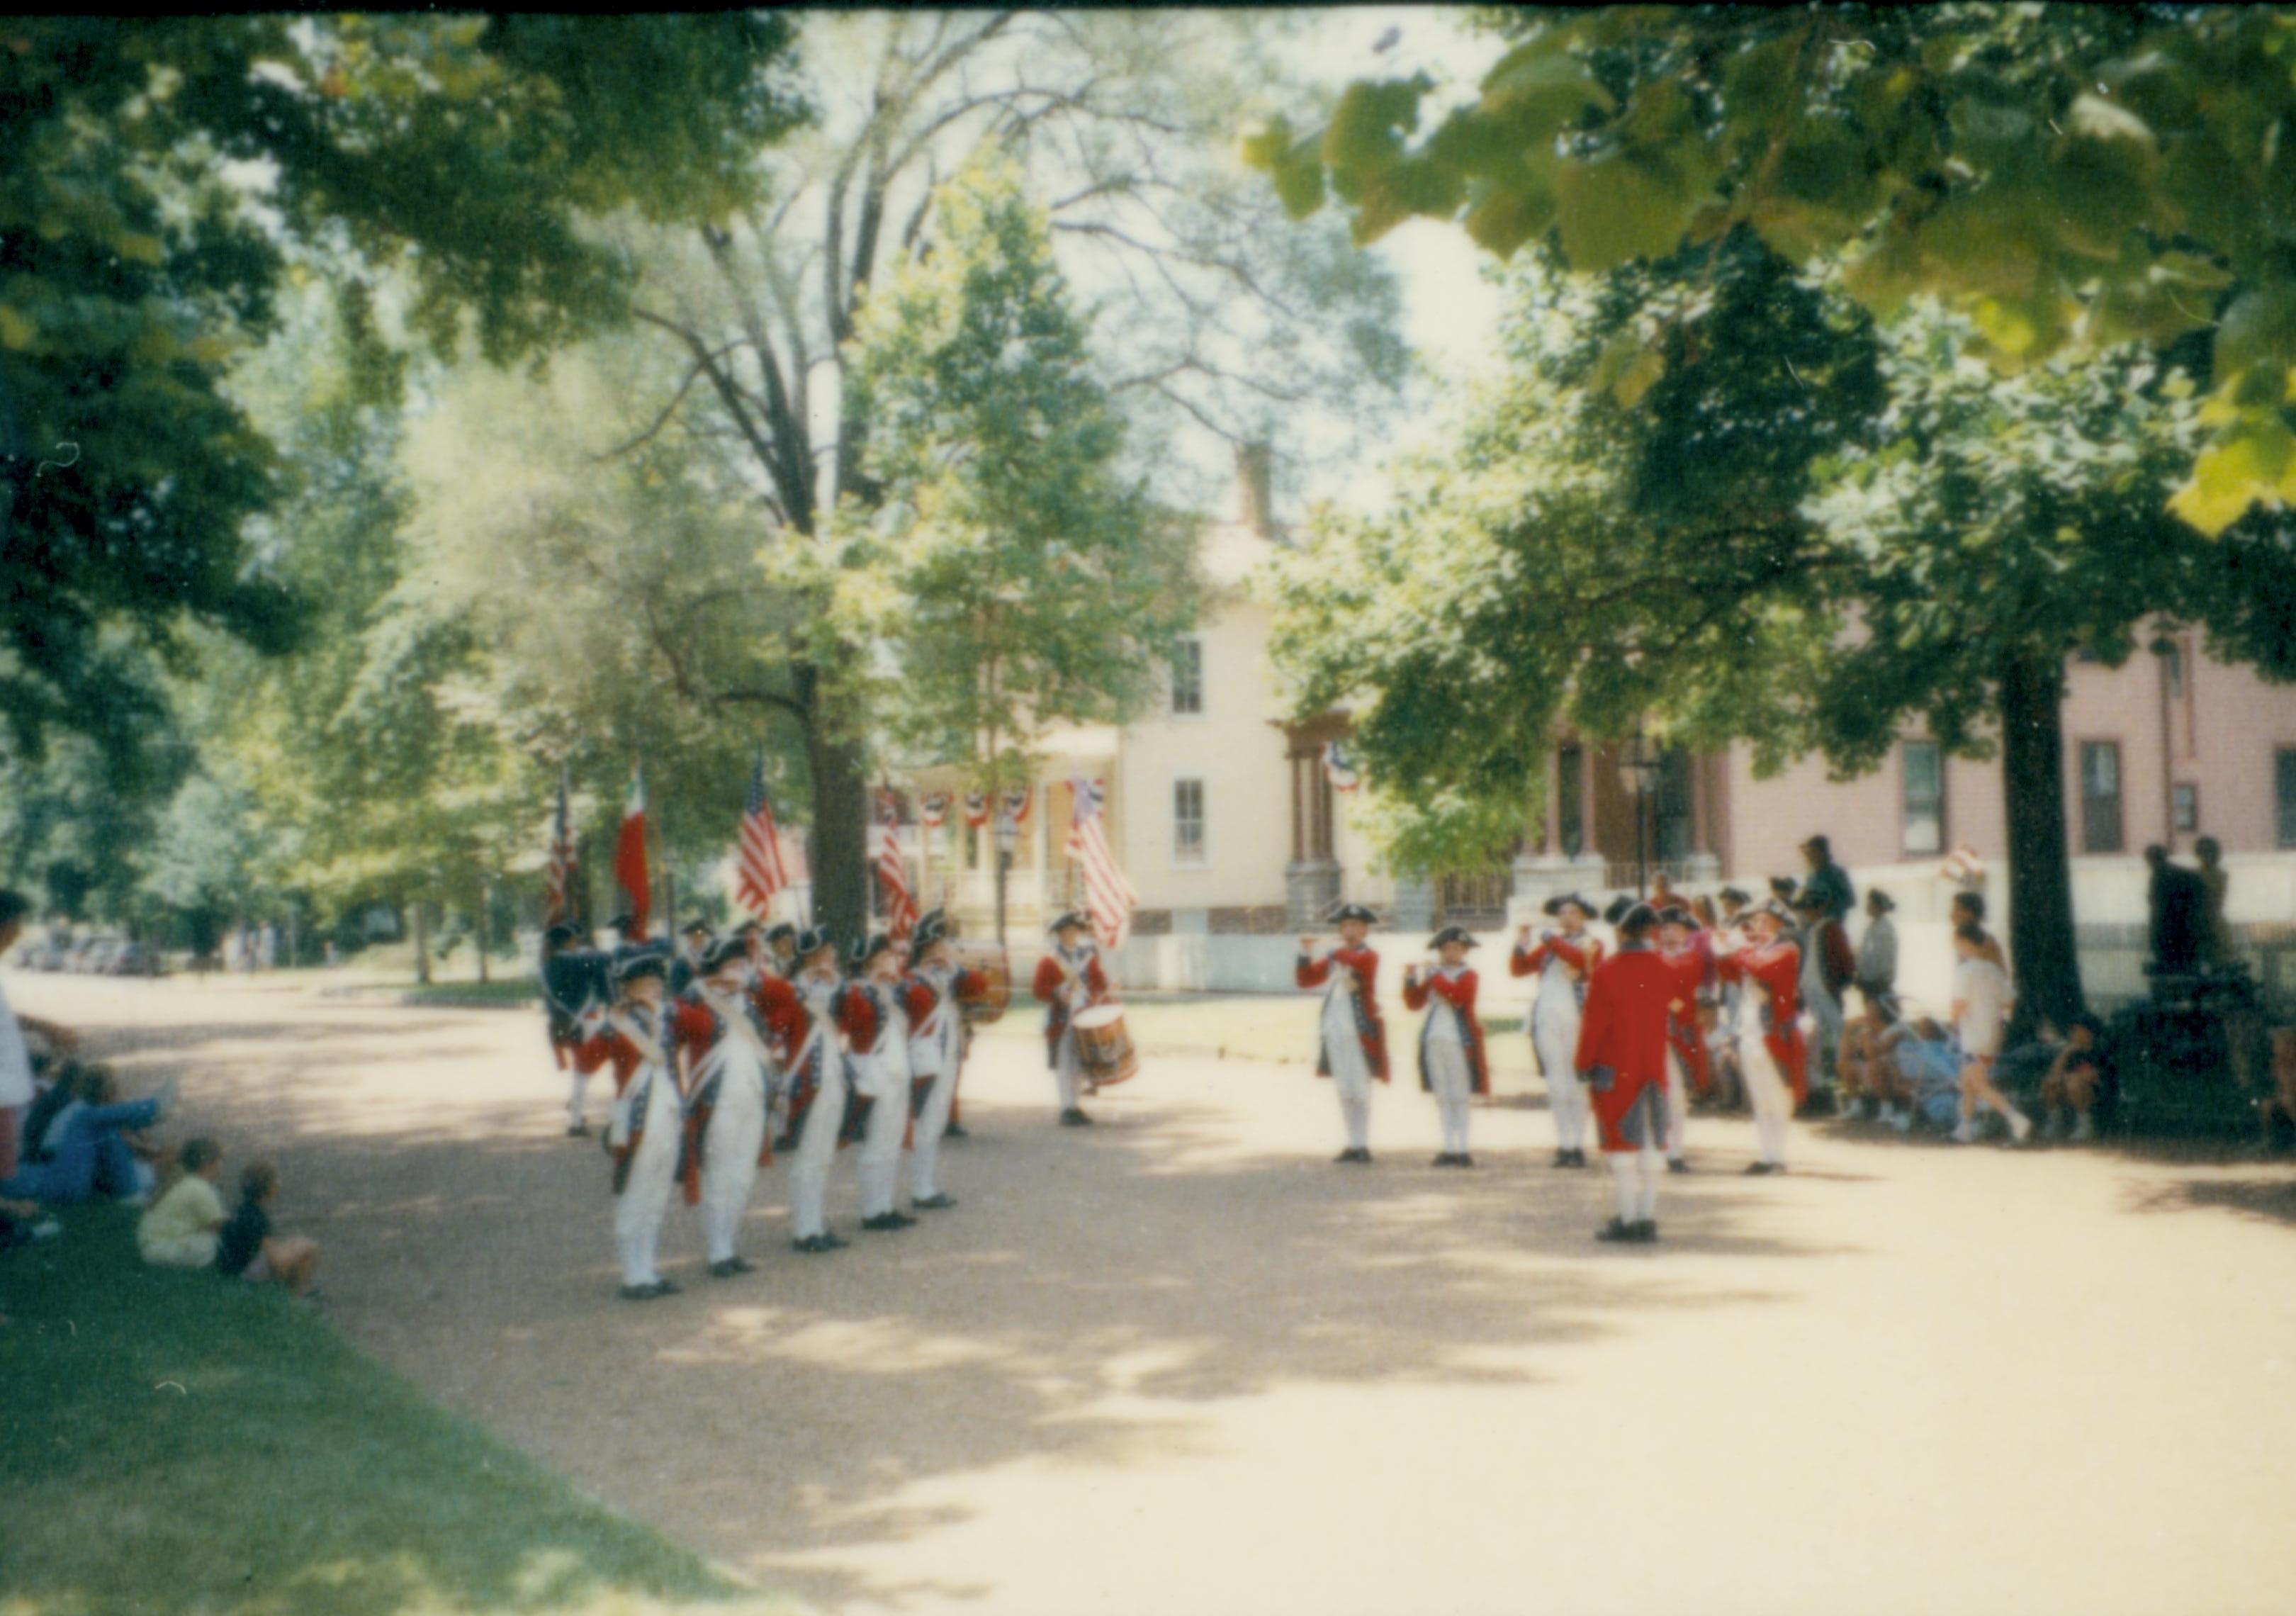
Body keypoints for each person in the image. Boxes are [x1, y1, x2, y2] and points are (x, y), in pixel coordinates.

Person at [575, 952, 690, 1301]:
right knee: (634, 1194)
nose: (655, 989)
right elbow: (585, 1061)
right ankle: (632, 1276)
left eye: (657, 983)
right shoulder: (618, 1024)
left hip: (667, 1112)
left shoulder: (667, 1019)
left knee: (656, 1195)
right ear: (628, 989)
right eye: (647, 984)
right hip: (638, 1117)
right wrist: (607, 1024)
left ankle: (648, 1270)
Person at [675, 937, 776, 1278]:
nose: (740, 972)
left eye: (743, 965)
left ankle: (729, 1246)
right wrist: (705, 985)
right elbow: (675, 1015)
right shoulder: (700, 1000)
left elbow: (782, 999)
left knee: (743, 1177)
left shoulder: (749, 1001)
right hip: (718, 1100)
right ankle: (718, 1252)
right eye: (733, 966)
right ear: (716, 970)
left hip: (753, 1096)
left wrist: (750, 982)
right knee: (719, 1176)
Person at [1575, 902, 1675, 1243]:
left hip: (1615, 1065)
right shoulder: (1664, 967)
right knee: (1651, 1138)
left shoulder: (1607, 970)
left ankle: (1628, 1219)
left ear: (1621, 931)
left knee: (1620, 1145)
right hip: (1653, 1064)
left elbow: (1594, 1025)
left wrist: (1583, 1062)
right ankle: (1646, 1216)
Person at [901, 914, 989, 1211]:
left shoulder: (949, 973)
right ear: (927, 947)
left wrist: (954, 969)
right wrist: (927, 971)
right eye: (940, 944)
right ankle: (921, 1188)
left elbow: (979, 986)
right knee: (924, 1121)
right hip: (924, 1055)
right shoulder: (912, 977)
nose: (945, 949)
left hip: (946, 1054)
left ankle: (925, 1185)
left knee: (935, 1121)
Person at [1511, 894, 1603, 1167]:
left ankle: (1578, 1143)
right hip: (1548, 1017)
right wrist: (1521, 945)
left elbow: (1580, 961)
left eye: (1573, 913)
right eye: (1563, 913)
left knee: (1577, 1082)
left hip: (1576, 1017)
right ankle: (1564, 1144)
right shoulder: (1552, 946)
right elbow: (1519, 969)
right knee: (1556, 1082)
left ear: (1583, 916)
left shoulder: (1591, 942)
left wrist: (1551, 940)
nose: (1567, 918)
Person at [0, 1066, 175, 1205]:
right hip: (59, 1184)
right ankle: (152, 1108)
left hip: (59, 1178)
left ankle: (130, 1190)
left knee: (99, 1123)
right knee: (85, 1118)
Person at [1297, 903, 1390, 1164]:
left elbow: (1360, 964)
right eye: (1346, 926)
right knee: (1344, 1088)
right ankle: (1352, 1142)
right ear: (1341, 930)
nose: (1351, 931)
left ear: (1365, 932)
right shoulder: (1336, 956)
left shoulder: (1368, 955)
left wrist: (1334, 953)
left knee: (1360, 1086)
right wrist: (1305, 953)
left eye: (1357, 927)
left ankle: (1363, 1143)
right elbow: (1306, 980)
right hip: (1335, 1026)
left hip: (1358, 1030)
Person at [1714, 900, 1802, 1174]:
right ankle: (1766, 1156)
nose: (1758, 926)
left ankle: (1779, 1156)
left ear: (1778, 923)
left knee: (1777, 1096)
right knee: (1759, 1097)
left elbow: (1762, 969)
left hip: (1774, 1033)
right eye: (1755, 921)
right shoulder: (1754, 950)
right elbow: (1728, 972)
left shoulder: (1786, 950)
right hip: (1751, 1031)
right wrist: (1723, 947)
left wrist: (1738, 947)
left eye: (1764, 921)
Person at [837, 933, 916, 1233]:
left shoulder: (893, 990)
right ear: (868, 962)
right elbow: (854, 1020)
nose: (889, 962)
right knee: (876, 1143)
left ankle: (885, 1205)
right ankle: (872, 1210)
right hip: (873, 1071)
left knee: (891, 1143)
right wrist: (873, 984)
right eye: (882, 958)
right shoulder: (857, 991)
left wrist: (889, 985)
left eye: (890, 957)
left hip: (896, 1071)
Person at [0, 889, 76, 1189]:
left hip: (8, 1092)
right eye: (16, 925)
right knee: (5, 1175)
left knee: (7, 1169)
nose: (18, 935)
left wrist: (43, 1027)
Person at [1402, 925, 1488, 1167]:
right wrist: (1410, 978)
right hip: (1434, 1038)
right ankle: (1448, 1145)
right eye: (1447, 948)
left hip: (1458, 1040)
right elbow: (1414, 1003)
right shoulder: (1435, 975)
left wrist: (1433, 977)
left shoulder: (1469, 975)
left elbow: (1457, 997)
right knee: (1442, 1095)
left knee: (1459, 1094)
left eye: (1457, 949)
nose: (1452, 953)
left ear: (1464, 952)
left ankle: (1463, 1147)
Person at [1951, 921, 2032, 1145]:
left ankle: (2017, 1120)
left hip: (1973, 1037)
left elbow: (1959, 1003)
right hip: (1991, 1036)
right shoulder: (1994, 970)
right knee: (1968, 1081)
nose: (1955, 947)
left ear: (1966, 943)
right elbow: (2010, 1002)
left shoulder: (1965, 971)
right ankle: (1965, 1128)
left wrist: (1954, 1025)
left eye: (1957, 942)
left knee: (1978, 1085)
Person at [1034, 913, 1111, 1127]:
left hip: (1083, 1013)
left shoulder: (1087, 956)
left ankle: (1075, 1106)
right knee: (1064, 1063)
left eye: (1073, 931)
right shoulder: (1049, 960)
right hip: (1061, 1017)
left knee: (1079, 1063)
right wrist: (1057, 993)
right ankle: (1066, 1107)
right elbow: (1038, 990)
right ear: (1059, 935)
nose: (1070, 935)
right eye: (1066, 932)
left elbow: (1098, 982)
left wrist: (1105, 988)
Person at [540, 922, 607, 1138]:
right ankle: (575, 1121)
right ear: (568, 942)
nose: (578, 944)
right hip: (581, 1021)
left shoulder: (549, 963)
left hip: (568, 1022)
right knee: (583, 1071)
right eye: (575, 940)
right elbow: (600, 962)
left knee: (586, 1069)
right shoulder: (570, 961)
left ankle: (575, 1107)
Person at [215, 1162, 322, 1294]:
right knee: (310, 1248)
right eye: (276, 1181)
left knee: (295, 1244)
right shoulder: (259, 1217)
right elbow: (276, 1262)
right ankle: (295, 1294)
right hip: (245, 1273)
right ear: (270, 1189)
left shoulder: (240, 1209)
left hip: (230, 1268)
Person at [1655, 907, 1707, 1173]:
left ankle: (1675, 1150)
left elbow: (1678, 977)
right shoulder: (1654, 956)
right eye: (1664, 928)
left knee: (1675, 1093)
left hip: (1678, 1032)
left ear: (1686, 932)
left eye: (1675, 928)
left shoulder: (1691, 957)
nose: (1669, 933)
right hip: (1651, 1032)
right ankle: (1657, 1147)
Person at [1794, 891, 1855, 1114]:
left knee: (1836, 1031)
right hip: (1812, 988)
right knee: (1817, 1034)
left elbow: (1844, 958)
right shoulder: (1812, 930)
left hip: (1826, 987)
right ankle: (1820, 1081)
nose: (1808, 913)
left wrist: (1839, 983)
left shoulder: (1831, 928)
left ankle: (1839, 1076)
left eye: (1811, 908)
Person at [138, 1138, 229, 1269]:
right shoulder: (200, 1188)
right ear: (207, 1165)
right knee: (213, 1243)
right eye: (220, 1161)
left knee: (208, 1236)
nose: (222, 1166)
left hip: (151, 1245)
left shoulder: (184, 1180)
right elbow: (219, 1225)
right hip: (159, 1250)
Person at [2039, 1014, 2109, 1142]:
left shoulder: (2099, 1051)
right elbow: (2053, 1074)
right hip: (2072, 1092)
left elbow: (2092, 1077)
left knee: (2074, 1081)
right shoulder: (2073, 1052)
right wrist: (2066, 1052)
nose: (2073, 1033)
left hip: (2097, 1098)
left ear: (2088, 1032)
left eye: (2076, 1030)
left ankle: (2086, 1126)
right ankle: (2055, 1121)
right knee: (2051, 1082)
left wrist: (2067, 1078)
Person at [2144, 845, 2208, 977]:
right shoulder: (2187, 874)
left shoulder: (2159, 877)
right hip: (2188, 933)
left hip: (2167, 934)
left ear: (2151, 860)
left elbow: (2157, 906)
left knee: (2171, 979)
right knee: (2188, 976)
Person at [2194, 837, 2234, 968]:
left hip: (2212, 923)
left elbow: (2213, 898)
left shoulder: (2219, 875)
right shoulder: (2195, 875)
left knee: (2218, 962)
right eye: (2203, 853)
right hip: (2202, 923)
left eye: (2208, 852)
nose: (2206, 856)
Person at [1798, 834, 1855, 924]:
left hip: (1831, 926)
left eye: (1813, 852)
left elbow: (1850, 900)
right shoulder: (1811, 876)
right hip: (1813, 927)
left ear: (1822, 853)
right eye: (1808, 853)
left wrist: (1828, 904)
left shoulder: (1836, 873)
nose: (1809, 856)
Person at [668, 919, 714, 997]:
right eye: (695, 936)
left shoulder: (713, 959)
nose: (699, 939)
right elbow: (677, 991)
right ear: (689, 938)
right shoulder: (680, 963)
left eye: (702, 935)